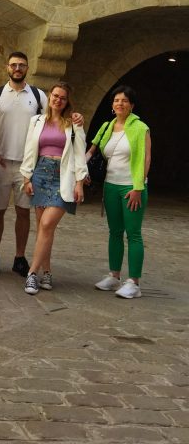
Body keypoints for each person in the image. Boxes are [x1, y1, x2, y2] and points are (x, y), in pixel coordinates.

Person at [0, 51, 83, 278]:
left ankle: (20, 257)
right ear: (7, 67)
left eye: (21, 65)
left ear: (27, 68)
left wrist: (77, 118)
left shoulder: (38, 95)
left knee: (23, 213)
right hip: (1, 163)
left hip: (29, 167)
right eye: (13, 65)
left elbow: (55, 117)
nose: (17, 68)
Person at [20, 82, 87, 295]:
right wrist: (27, 177)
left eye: (63, 98)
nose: (58, 100)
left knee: (47, 224)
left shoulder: (73, 124)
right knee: (42, 228)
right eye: (55, 96)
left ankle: (32, 273)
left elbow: (79, 154)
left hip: (62, 176)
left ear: (67, 102)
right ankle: (46, 271)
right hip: (40, 173)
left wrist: (79, 183)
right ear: (49, 97)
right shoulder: (37, 121)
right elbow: (30, 149)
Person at [89, 85, 151, 299]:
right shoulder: (107, 126)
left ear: (132, 105)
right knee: (114, 232)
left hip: (131, 187)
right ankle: (114, 276)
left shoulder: (140, 128)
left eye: (124, 101)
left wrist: (138, 187)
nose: (120, 104)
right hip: (111, 185)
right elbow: (92, 150)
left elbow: (146, 158)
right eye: (116, 100)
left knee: (133, 234)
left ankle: (134, 282)